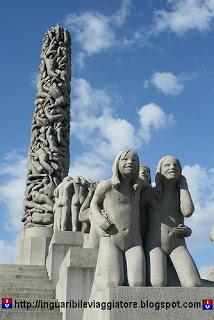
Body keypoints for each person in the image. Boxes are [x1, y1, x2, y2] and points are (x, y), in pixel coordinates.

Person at [90, 149, 146, 296]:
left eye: (134, 161)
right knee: (113, 282)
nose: (130, 163)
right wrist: (102, 221)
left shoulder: (139, 187)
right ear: (117, 163)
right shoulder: (106, 185)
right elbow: (93, 204)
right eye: (125, 159)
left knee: (138, 283)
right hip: (112, 239)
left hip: (134, 242)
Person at [144, 156, 201, 287]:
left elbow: (187, 211)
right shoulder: (150, 193)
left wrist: (184, 186)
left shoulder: (180, 194)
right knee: (158, 282)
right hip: (155, 245)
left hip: (177, 244)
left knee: (194, 284)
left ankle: (204, 308)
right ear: (159, 170)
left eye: (176, 165)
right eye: (167, 165)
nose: (172, 167)